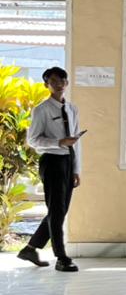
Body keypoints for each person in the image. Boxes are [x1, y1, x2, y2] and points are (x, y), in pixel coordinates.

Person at [18, 66, 84, 272]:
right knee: (56, 211)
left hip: (68, 161)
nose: (59, 84)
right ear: (46, 84)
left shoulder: (72, 109)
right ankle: (61, 257)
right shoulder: (42, 110)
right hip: (52, 162)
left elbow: (77, 142)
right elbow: (33, 140)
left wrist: (76, 169)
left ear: (67, 83)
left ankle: (30, 249)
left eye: (62, 80)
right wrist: (59, 142)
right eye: (53, 81)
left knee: (60, 211)